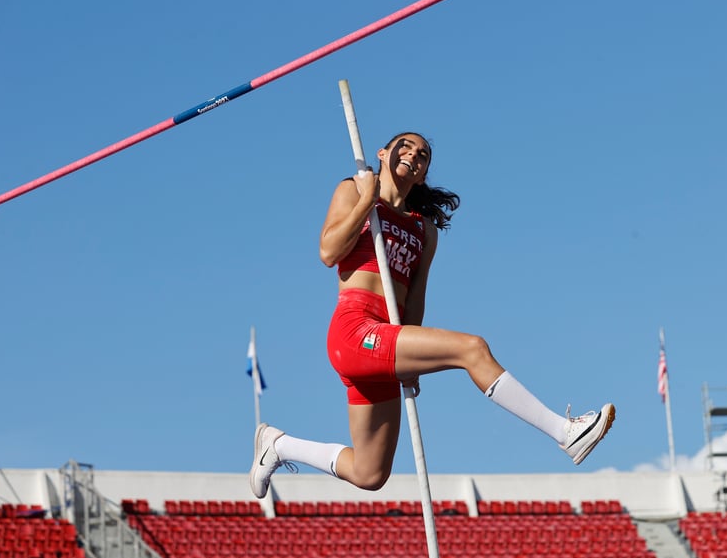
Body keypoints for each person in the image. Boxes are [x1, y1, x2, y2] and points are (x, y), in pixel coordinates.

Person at [249, 132, 615, 498]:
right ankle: (564, 433)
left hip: (385, 338)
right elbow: (328, 252)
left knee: (370, 472)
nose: (413, 154)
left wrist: (411, 363)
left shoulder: (424, 230)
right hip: (354, 329)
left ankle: (278, 445)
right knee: (472, 349)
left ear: (423, 174)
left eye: (422, 155)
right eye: (404, 146)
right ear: (382, 153)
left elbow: (414, 301)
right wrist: (365, 200)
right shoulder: (352, 191)